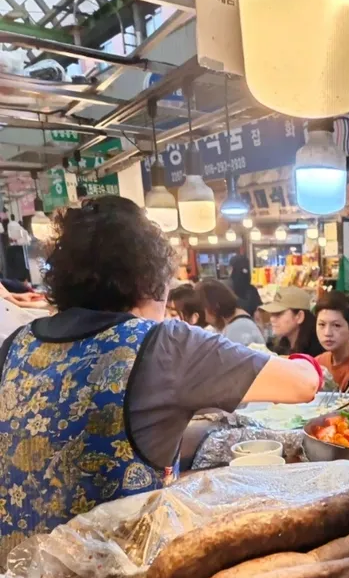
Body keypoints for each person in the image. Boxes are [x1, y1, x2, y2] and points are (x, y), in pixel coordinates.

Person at [0, 196, 320, 559]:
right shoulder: (163, 343)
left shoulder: (16, 343)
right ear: (152, 279)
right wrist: (308, 361)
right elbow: (302, 384)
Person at [197, 278, 266, 347]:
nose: (203, 317)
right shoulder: (228, 324)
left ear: (214, 306)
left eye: (203, 309)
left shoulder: (238, 328)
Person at [262, 286, 323, 357]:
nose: (272, 319)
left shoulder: (315, 353)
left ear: (299, 316)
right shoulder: (283, 346)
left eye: (279, 313)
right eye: (272, 313)